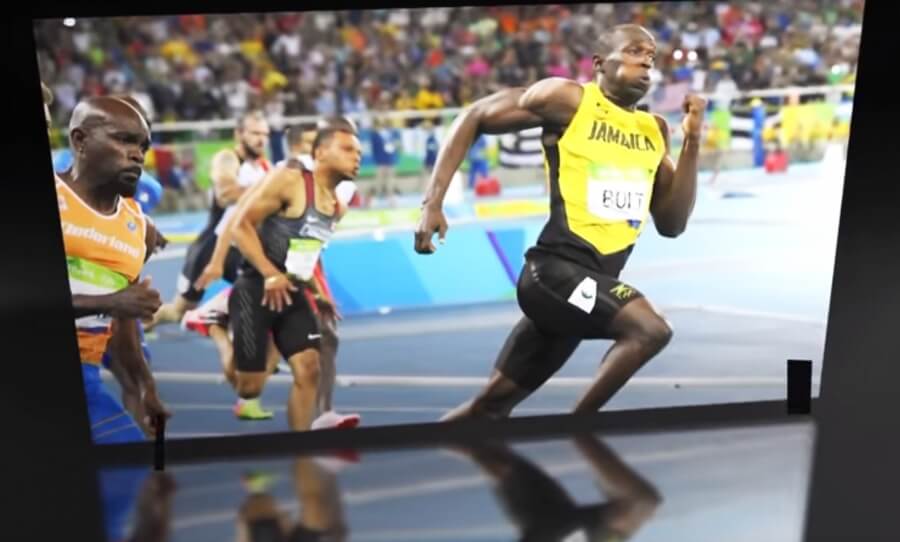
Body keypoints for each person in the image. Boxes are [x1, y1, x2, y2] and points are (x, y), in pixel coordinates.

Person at [414, 24, 706, 420]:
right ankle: (579, 429)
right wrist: (432, 203)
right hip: (553, 275)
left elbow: (672, 224)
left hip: (590, 288)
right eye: (635, 51)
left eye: (651, 56)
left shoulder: (653, 129)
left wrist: (692, 142)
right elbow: (475, 115)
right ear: (600, 63)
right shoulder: (568, 100)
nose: (646, 63)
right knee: (650, 330)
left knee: (489, 408)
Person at [187, 118, 361, 428]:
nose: (357, 157)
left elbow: (303, 255)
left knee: (309, 368)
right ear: (320, 152)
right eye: (347, 149)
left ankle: (302, 447)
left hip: (292, 290)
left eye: (358, 151)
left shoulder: (337, 207)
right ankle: (214, 324)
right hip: (256, 286)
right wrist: (269, 273)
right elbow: (240, 225)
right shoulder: (289, 179)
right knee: (249, 387)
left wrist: (318, 293)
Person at [52, 92, 171, 443]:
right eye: (124, 140)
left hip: (87, 378)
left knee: (132, 464)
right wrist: (111, 302)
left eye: (143, 146)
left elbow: (123, 326)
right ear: (80, 141)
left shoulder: (140, 228)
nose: (138, 155)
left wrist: (145, 387)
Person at [145, 110, 272, 330]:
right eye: (255, 133)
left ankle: (238, 337)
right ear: (239, 134)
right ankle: (141, 324)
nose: (261, 139)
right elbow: (225, 193)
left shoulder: (265, 167)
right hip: (210, 249)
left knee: (264, 297)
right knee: (178, 311)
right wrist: (269, 193)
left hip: (242, 249)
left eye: (265, 134)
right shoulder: (227, 159)